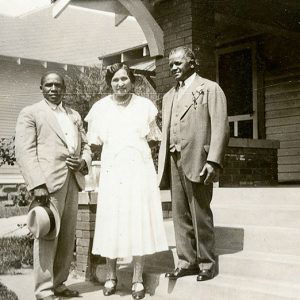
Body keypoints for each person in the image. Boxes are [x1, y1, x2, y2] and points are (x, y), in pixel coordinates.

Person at [85, 63, 168, 300]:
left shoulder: (144, 106)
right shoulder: (100, 108)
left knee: (137, 220)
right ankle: (111, 275)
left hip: (138, 171)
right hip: (113, 172)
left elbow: (153, 140)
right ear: (109, 83)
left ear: (132, 81)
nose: (120, 84)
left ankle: (137, 279)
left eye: (124, 79)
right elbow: (94, 143)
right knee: (113, 220)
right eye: (115, 80)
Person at [15, 71, 91, 300]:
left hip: (73, 181)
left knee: (67, 237)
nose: (54, 89)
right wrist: (37, 184)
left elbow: (86, 145)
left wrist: (83, 162)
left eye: (58, 85)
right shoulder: (30, 113)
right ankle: (44, 290)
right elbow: (24, 152)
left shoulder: (74, 115)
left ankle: (59, 284)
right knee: (48, 235)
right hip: (47, 184)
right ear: (41, 87)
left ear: (64, 89)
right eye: (49, 85)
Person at [158, 46, 229, 281]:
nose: (174, 68)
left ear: (192, 62)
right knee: (179, 214)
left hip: (199, 159)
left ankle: (207, 262)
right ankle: (186, 260)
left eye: (178, 63)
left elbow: (220, 127)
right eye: (171, 65)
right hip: (173, 159)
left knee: (200, 212)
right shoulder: (169, 96)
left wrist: (213, 161)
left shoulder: (209, 89)